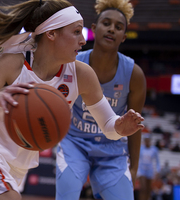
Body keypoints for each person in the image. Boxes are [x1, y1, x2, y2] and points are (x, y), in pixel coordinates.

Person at [0, 0, 144, 199]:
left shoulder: (82, 75)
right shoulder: (12, 64)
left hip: (17, 170)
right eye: (76, 32)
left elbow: (109, 126)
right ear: (51, 34)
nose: (84, 40)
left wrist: (120, 126)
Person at [55, 0, 146, 199]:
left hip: (113, 150)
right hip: (75, 142)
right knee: (67, 193)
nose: (112, 29)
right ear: (94, 28)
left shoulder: (134, 74)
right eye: (107, 23)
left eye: (119, 27)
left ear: (124, 36)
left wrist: (134, 167)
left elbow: (135, 126)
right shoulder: (73, 63)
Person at [138, 134, 160, 200]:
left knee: (148, 189)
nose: (147, 141)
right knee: (143, 188)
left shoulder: (154, 149)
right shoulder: (141, 148)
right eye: (146, 140)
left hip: (150, 170)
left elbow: (157, 161)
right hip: (142, 169)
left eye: (148, 140)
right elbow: (137, 159)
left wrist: (157, 170)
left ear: (150, 140)